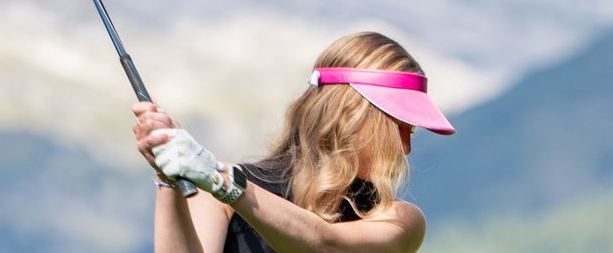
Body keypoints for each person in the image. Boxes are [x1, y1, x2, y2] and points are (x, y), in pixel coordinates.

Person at [133, 31, 456, 253]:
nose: (405, 148)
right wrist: (168, 177)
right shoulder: (216, 190)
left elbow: (323, 245)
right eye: (397, 128)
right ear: (351, 115)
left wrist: (222, 182)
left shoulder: (400, 220)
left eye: (410, 132)